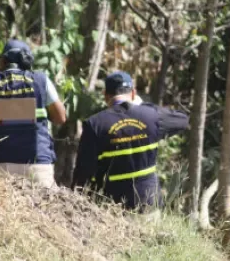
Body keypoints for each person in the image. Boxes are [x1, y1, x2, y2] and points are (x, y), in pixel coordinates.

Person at [72, 71, 189, 211]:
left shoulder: (95, 124)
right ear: (133, 93)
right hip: (149, 203)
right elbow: (182, 120)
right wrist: (145, 107)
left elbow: (83, 172)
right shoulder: (151, 115)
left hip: (112, 207)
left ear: (105, 95)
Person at [0, 39, 67, 188]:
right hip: (37, 164)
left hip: (1, 165)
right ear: (27, 61)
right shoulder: (41, 80)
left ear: (3, 61)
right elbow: (60, 118)